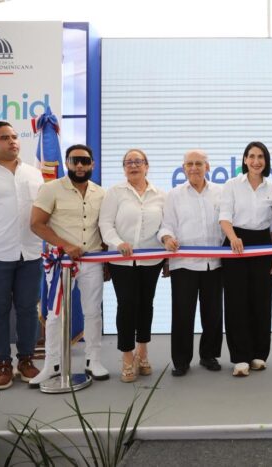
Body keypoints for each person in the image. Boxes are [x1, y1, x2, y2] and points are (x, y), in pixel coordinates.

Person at [30, 143, 108, 385]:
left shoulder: (101, 193)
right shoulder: (50, 189)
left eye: (85, 161)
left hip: (93, 261)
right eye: (75, 161)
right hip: (61, 263)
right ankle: (52, 364)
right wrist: (65, 245)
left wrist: (107, 262)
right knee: (55, 314)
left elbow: (104, 228)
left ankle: (93, 360)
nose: (80, 165)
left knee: (93, 312)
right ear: (67, 163)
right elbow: (36, 224)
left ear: (92, 164)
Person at [0, 121, 43, 390]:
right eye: (5, 137)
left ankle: (26, 360)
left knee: (28, 310)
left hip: (30, 254)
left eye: (14, 136)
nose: (13, 141)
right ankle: (2, 364)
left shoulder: (33, 173)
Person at [99, 149, 166, 383]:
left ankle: (142, 352)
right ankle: (127, 357)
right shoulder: (115, 192)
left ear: (147, 166)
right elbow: (105, 224)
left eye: (138, 161)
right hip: (122, 261)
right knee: (126, 305)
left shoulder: (160, 195)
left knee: (146, 305)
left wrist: (167, 240)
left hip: (152, 260)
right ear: (124, 168)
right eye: (128, 162)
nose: (133, 165)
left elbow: (164, 227)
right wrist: (118, 243)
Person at [158, 150, 224, 377]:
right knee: (182, 315)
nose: (194, 168)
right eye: (189, 164)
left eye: (198, 163)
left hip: (214, 264)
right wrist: (167, 238)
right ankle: (181, 361)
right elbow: (166, 225)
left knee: (213, 314)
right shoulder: (174, 195)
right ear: (183, 168)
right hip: (184, 264)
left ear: (208, 167)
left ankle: (209, 355)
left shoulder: (221, 192)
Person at [219, 142, 272, 377]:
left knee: (261, 301)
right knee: (236, 302)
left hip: (263, 244)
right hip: (236, 244)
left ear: (266, 161)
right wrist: (233, 238)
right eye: (252, 156)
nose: (256, 161)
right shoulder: (232, 185)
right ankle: (240, 358)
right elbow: (224, 217)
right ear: (245, 160)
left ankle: (259, 355)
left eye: (261, 157)